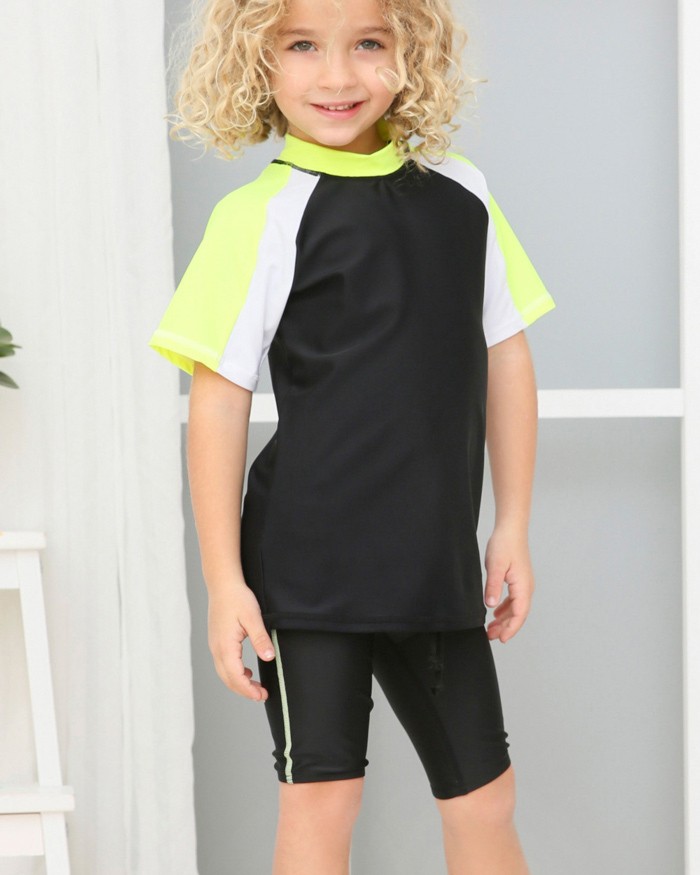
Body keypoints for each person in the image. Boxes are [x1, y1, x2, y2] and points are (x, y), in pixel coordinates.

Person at [150, 0, 555, 871]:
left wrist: (512, 523)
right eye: (302, 45)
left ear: (413, 48)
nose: (337, 76)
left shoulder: (463, 195)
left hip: (433, 562)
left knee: (485, 797)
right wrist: (224, 581)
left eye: (368, 43)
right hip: (305, 574)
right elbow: (217, 403)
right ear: (258, 60)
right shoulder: (259, 217)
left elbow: (507, 357)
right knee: (322, 802)